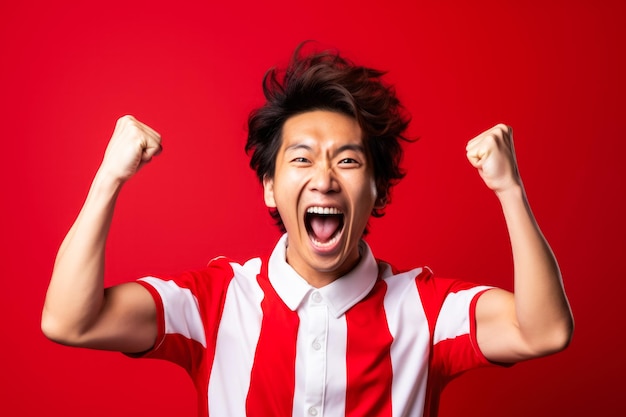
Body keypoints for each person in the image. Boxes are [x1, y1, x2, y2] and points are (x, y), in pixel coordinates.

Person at [41, 44, 574, 417]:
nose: (324, 178)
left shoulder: (427, 312)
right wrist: (109, 178)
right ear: (270, 188)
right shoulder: (215, 302)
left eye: (347, 161)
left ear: (378, 192)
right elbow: (70, 321)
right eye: (301, 159)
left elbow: (544, 331)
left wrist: (511, 191)